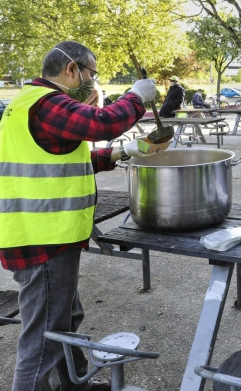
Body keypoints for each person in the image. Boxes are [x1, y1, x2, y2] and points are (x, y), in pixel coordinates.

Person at [0, 41, 157, 391]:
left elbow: (65, 161)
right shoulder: (45, 103)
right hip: (42, 239)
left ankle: (74, 386)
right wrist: (135, 97)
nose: (92, 81)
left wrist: (125, 151)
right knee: (42, 341)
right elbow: (103, 123)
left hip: (46, 236)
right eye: (92, 73)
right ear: (72, 70)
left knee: (67, 319)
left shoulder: (24, 104)